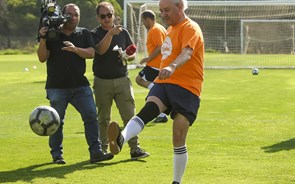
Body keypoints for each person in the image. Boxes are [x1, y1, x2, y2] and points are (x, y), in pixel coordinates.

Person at [108, 0, 204, 183]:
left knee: (178, 137)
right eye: (161, 11)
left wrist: (173, 66)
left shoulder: (190, 27)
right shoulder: (169, 30)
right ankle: (121, 138)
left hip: (187, 87)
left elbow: (188, 52)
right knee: (148, 110)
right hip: (165, 82)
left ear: (180, 7)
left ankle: (177, 181)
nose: (163, 14)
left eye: (167, 10)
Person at [37, 3, 114, 164]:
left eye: (76, 14)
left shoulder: (83, 33)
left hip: (80, 85)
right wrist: (43, 39)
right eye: (69, 14)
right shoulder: (53, 34)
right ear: (62, 15)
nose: (73, 17)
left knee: (91, 116)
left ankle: (96, 152)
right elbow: (42, 58)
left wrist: (75, 49)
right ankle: (57, 155)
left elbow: (91, 53)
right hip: (57, 86)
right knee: (56, 122)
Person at [91, 2, 150, 160]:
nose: (106, 18)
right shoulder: (95, 33)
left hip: (122, 79)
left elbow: (132, 51)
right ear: (98, 18)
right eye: (103, 16)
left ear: (114, 15)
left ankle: (135, 149)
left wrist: (126, 55)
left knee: (130, 115)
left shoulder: (123, 32)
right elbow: (100, 50)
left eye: (109, 15)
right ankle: (103, 150)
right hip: (102, 81)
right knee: (103, 118)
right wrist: (110, 33)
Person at [136, 10, 168, 123]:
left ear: (147, 19)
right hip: (158, 64)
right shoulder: (159, 28)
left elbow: (160, 46)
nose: (143, 23)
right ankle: (163, 115)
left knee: (139, 79)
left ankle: (154, 90)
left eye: (143, 20)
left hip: (155, 64)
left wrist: (148, 58)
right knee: (157, 87)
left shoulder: (155, 30)